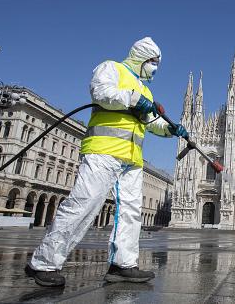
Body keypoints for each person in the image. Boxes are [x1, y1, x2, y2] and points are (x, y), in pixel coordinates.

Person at [24, 37, 187, 287]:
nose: (155, 68)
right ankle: (44, 263)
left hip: (131, 159)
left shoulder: (144, 89)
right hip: (103, 151)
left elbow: (150, 121)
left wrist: (170, 129)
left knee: (131, 214)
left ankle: (123, 264)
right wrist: (133, 99)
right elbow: (101, 92)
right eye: (153, 62)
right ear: (142, 58)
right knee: (84, 205)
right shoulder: (112, 68)